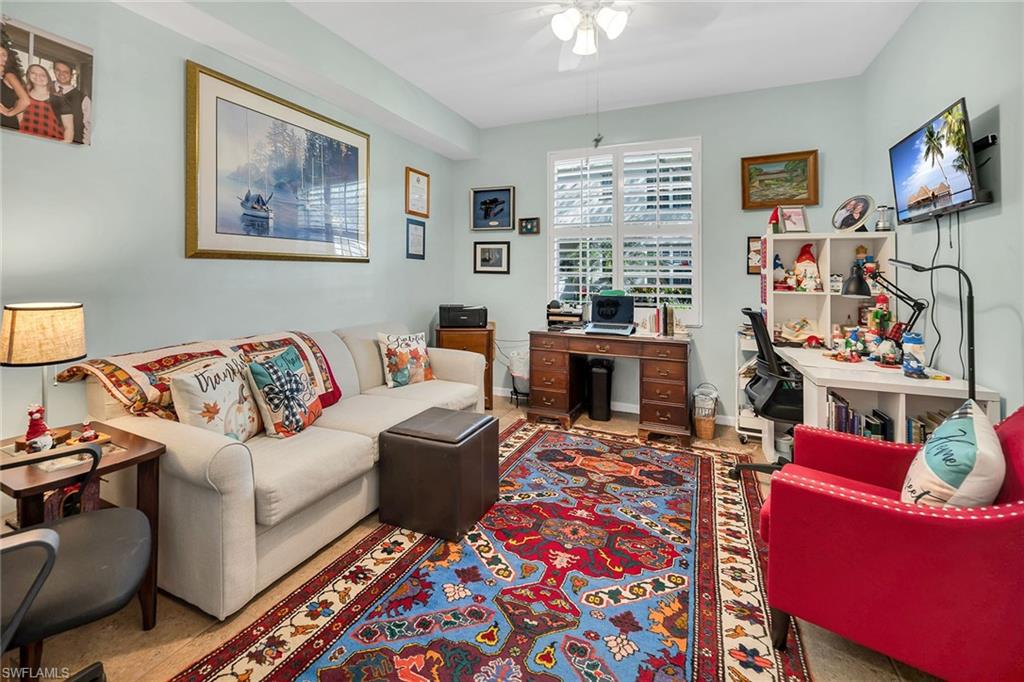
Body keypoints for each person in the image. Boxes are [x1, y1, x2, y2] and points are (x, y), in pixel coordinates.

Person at [19, 63, 72, 143]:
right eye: (33, 73)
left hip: (52, 144)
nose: (38, 76)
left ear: (48, 78)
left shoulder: (59, 100)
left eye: (42, 75)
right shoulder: (23, 96)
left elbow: (69, 128)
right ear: (28, 76)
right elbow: (20, 122)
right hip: (26, 141)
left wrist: (64, 147)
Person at [52, 59, 90, 144]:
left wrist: (84, 145)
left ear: (72, 75)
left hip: (72, 144)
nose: (61, 74)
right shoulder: (45, 88)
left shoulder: (83, 98)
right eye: (58, 70)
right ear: (54, 71)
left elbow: (88, 124)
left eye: (65, 72)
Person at [0, 46, 30, 130]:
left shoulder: (9, 76)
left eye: (4, 54)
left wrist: (9, 113)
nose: (1, 57)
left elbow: (25, 101)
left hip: (6, 126)